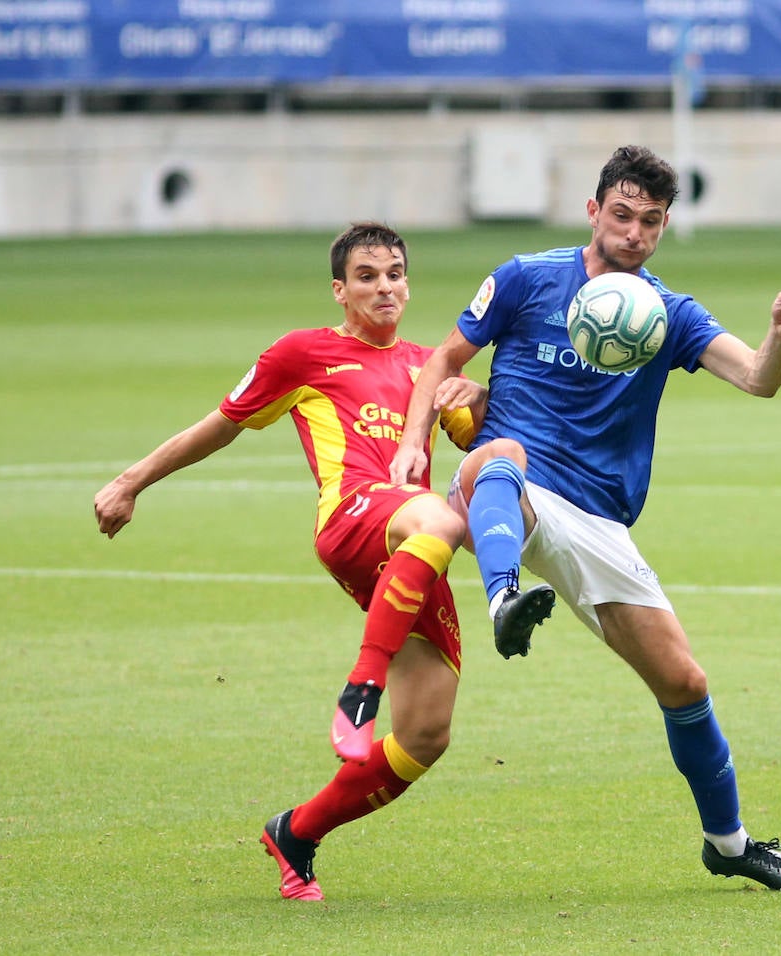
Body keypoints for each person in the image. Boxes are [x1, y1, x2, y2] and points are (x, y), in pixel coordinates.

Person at [389, 145, 781, 891]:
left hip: (597, 521)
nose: (633, 232)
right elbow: (442, 361)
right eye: (620, 215)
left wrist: (780, 336)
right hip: (515, 490)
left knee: (685, 684)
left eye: (650, 222)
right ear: (593, 210)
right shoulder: (528, 278)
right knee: (495, 457)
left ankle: (729, 844)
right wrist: (412, 444)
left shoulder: (667, 314)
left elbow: (756, 378)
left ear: (663, 226)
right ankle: (503, 598)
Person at [93, 222, 486, 901]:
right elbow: (219, 425)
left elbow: (486, 451)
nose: (384, 287)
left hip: (412, 551)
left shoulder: (431, 367)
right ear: (340, 290)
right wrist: (131, 482)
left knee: (425, 734)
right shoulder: (304, 354)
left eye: (394, 273)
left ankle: (297, 832)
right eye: (367, 276)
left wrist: (475, 399)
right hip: (355, 518)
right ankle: (360, 687)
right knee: (439, 520)